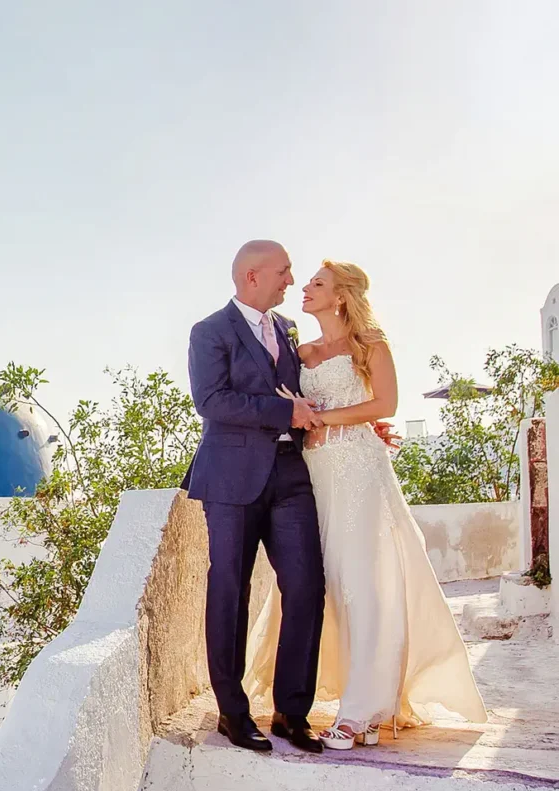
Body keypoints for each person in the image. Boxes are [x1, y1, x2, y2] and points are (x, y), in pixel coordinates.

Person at [244, 261, 487, 748]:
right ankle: (370, 706)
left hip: (357, 472)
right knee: (325, 588)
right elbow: (283, 406)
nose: (303, 289)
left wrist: (328, 417)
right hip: (309, 475)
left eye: (316, 284)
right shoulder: (297, 349)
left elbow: (385, 405)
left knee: (362, 585)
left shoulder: (369, 345)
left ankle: (359, 712)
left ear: (340, 296)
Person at [184, 240, 328, 753]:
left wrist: (352, 421)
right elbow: (212, 400)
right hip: (230, 479)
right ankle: (233, 712)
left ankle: (293, 711)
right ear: (252, 276)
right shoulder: (209, 332)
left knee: (308, 585)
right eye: (284, 271)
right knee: (229, 590)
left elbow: (304, 392)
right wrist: (283, 413)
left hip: (291, 473)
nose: (291, 280)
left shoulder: (287, 330)